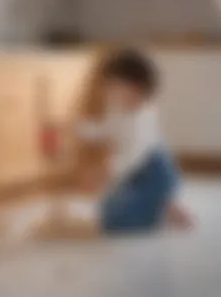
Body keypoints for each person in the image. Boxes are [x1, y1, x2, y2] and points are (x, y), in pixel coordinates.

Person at [42, 49, 192, 240]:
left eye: (112, 87)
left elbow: (131, 156)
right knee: (108, 210)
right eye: (107, 87)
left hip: (153, 174)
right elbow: (106, 129)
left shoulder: (142, 120)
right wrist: (78, 129)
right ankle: (161, 204)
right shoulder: (120, 109)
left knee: (117, 222)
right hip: (133, 175)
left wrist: (105, 173)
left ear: (135, 91)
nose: (107, 93)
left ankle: (160, 207)